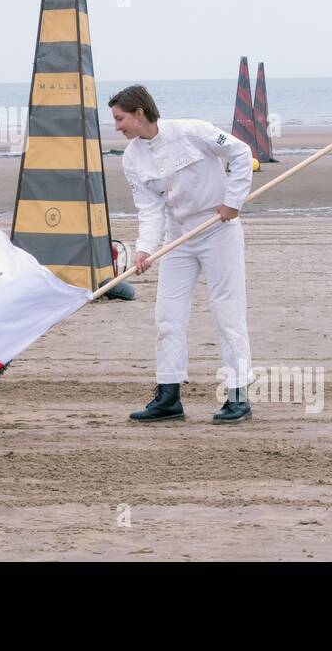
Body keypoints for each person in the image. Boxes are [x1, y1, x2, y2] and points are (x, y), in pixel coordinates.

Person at [110, 84, 255, 424]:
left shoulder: (193, 131)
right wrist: (145, 249)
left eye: (120, 119)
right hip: (178, 238)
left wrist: (233, 202)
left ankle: (238, 396)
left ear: (140, 113)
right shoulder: (132, 158)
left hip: (218, 229)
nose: (117, 126)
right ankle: (169, 396)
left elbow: (240, 153)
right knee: (168, 315)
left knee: (227, 312)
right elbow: (149, 208)